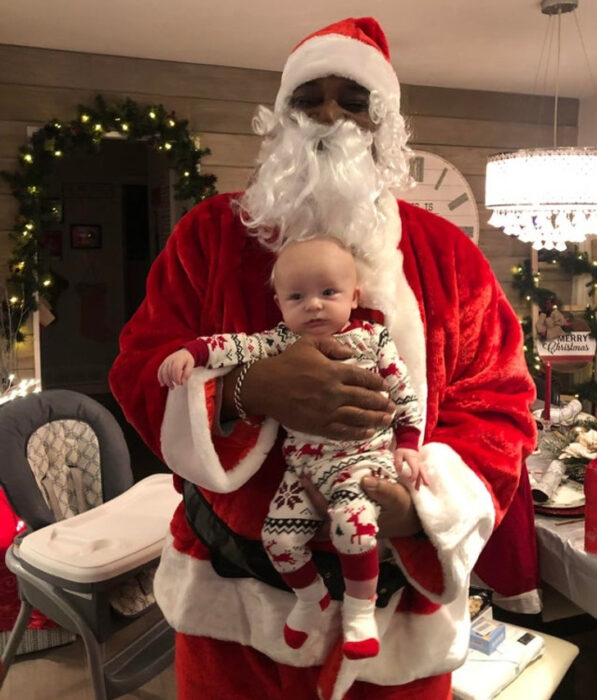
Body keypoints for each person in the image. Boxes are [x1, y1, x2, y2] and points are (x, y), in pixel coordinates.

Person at [110, 16, 538, 700]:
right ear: (281, 117)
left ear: (384, 123)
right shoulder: (209, 236)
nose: (330, 116)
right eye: (310, 97)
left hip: (398, 621)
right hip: (234, 607)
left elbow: (498, 402)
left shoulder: (446, 255)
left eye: (354, 99)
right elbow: (140, 366)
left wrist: (417, 509)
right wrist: (247, 388)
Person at [157, 236, 425, 660]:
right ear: (279, 303)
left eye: (328, 293)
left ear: (354, 297)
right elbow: (235, 345)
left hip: (364, 462)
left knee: (353, 527)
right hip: (303, 469)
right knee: (278, 540)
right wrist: (193, 352)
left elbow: (405, 394)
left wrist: (408, 442)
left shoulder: (374, 339)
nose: (313, 305)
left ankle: (359, 613)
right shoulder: (281, 342)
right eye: (297, 297)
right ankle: (310, 598)